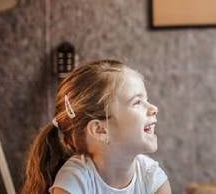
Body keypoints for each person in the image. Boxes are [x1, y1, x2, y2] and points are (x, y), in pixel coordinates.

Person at [21, 60, 172, 194]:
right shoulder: (74, 181)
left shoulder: (152, 178)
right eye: (137, 102)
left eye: (146, 99)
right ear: (100, 130)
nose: (154, 108)